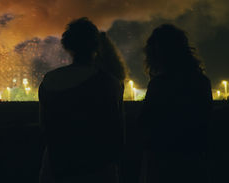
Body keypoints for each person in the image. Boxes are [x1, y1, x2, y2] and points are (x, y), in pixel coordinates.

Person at [39, 17, 125, 183]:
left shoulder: (49, 80)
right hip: (97, 167)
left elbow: (44, 126)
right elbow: (118, 133)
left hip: (57, 165)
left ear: (67, 45)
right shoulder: (109, 83)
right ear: (97, 46)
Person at [139, 24, 213, 183]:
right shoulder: (201, 82)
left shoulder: (159, 85)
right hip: (195, 162)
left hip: (162, 164)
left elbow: (146, 124)